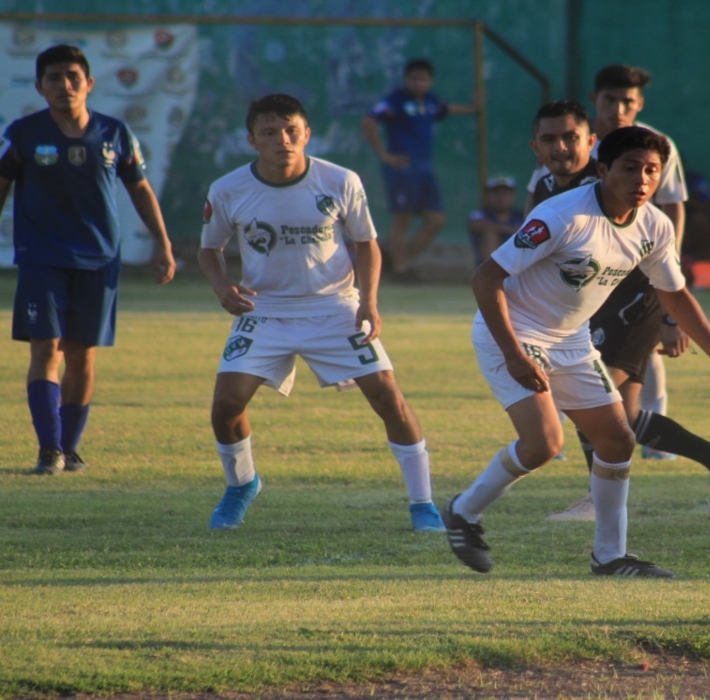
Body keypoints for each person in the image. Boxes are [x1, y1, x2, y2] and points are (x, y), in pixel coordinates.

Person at [444, 126, 710, 578]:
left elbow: (674, 294)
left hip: (571, 338)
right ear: (602, 169)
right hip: (512, 332)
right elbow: (485, 277)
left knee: (616, 440)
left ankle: (610, 557)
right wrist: (514, 354)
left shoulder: (654, 225)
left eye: (652, 170)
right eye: (630, 168)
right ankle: (464, 510)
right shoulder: (562, 215)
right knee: (545, 443)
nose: (642, 179)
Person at [198, 94, 443, 533]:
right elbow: (208, 249)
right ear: (252, 139)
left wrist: (368, 301)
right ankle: (242, 485)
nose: (283, 140)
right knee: (226, 403)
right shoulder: (227, 188)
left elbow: (367, 244)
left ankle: (423, 503)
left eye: (292, 130)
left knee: (387, 394)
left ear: (307, 134)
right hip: (266, 309)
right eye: (270, 133)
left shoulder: (340, 180)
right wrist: (222, 287)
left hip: (334, 306)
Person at [527, 101, 710, 523]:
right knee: (620, 416)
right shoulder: (546, 189)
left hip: (634, 305)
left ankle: (600, 502)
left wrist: (673, 324)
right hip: (589, 313)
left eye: (570, 138)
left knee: (590, 401)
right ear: (535, 147)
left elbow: (667, 273)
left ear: (590, 144)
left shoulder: (609, 184)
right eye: (550, 139)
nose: (560, 147)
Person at [0, 44, 176, 475]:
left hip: (99, 260)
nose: (65, 85)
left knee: (82, 354)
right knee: (46, 349)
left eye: (73, 77)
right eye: (55, 78)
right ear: (40, 86)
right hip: (42, 257)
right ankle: (48, 449)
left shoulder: (115, 133)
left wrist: (163, 243)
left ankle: (70, 447)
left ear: (90, 84)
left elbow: (139, 188)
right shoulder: (23, 134)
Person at [527, 65, 688, 463]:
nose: (619, 108)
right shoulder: (573, 149)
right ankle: (562, 431)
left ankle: (652, 434)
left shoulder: (653, 145)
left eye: (627, 101)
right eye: (610, 100)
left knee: (639, 351)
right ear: (595, 99)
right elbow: (541, 202)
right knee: (574, 346)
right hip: (585, 273)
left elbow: (672, 207)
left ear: (640, 104)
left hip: (634, 270)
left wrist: (669, 266)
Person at [361, 58, 477, 281]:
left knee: (436, 220)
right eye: (413, 78)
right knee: (402, 218)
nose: (418, 83)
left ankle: (398, 262)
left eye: (423, 79)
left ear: (430, 81)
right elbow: (369, 120)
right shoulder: (396, 100)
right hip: (402, 168)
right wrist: (384, 155)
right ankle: (401, 269)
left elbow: (447, 109)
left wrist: (473, 107)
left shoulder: (431, 102)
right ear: (406, 79)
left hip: (425, 169)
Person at [467, 175, 523, 267]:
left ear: (513, 196)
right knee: (490, 236)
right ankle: (490, 272)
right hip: (489, 264)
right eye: (496, 194)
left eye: (505, 194)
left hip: (518, 263)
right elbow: (477, 225)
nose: (501, 198)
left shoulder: (520, 216)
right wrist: (511, 230)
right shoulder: (481, 214)